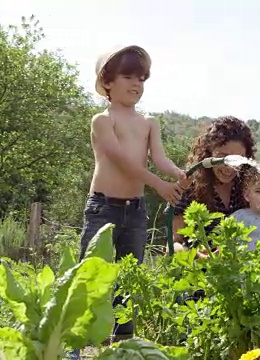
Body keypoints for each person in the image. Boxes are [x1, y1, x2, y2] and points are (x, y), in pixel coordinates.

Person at [77, 44, 185, 349]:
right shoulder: (102, 120)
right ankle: (80, 344)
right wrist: (158, 186)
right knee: (92, 274)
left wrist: (177, 174)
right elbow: (121, 159)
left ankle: (120, 346)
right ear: (107, 82)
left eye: (142, 78)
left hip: (135, 211)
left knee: (129, 278)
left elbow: (160, 159)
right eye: (128, 76)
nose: (136, 84)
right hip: (102, 208)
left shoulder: (149, 123)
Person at [169, 116, 256, 258]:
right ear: (209, 154)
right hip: (199, 273)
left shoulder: (251, 186)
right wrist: (202, 258)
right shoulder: (189, 187)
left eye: (237, 158)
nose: (230, 166)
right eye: (222, 156)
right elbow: (173, 245)